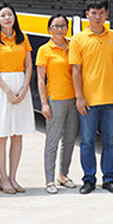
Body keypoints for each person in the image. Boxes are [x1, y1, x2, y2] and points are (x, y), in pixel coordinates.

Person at [69, 0, 113, 195]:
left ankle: (109, 178)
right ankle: (89, 179)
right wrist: (79, 97)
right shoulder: (78, 39)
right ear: (87, 15)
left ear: (107, 14)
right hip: (88, 101)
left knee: (110, 141)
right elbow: (75, 70)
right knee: (87, 142)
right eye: (94, 13)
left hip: (111, 100)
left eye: (101, 13)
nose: (97, 17)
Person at [0, 3, 35, 194]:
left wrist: (24, 87)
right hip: (2, 88)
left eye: (10, 14)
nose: (7, 18)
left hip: (21, 85)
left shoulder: (23, 38)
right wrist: (8, 91)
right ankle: (3, 178)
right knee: (2, 134)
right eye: (3, 15)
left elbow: (29, 65)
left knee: (17, 134)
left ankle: (13, 177)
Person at [36, 14, 79, 194]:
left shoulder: (73, 47)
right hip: (56, 100)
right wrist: (44, 103)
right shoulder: (45, 50)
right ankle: (49, 179)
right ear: (49, 29)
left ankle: (63, 174)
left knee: (70, 140)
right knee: (52, 140)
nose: (59, 29)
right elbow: (40, 78)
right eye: (55, 26)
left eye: (62, 26)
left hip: (74, 100)